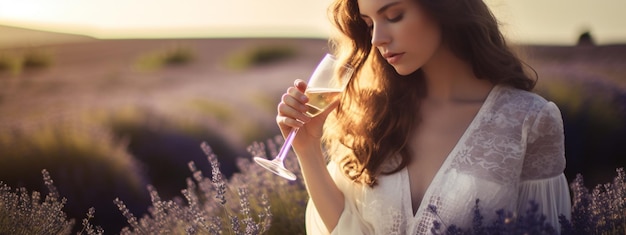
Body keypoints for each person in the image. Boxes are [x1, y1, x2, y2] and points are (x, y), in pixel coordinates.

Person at [276, 0, 572, 234]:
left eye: (393, 15)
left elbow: (546, 226)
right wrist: (307, 149)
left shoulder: (529, 120)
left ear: (443, 7)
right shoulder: (374, 115)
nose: (377, 38)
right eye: (369, 24)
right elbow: (347, 228)